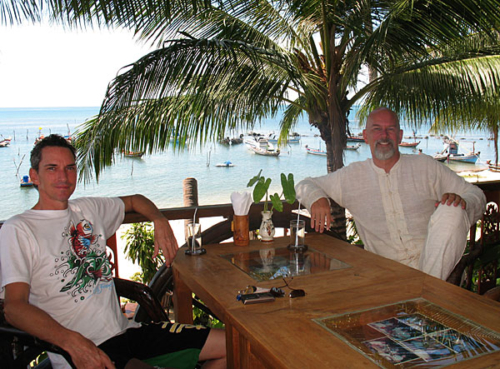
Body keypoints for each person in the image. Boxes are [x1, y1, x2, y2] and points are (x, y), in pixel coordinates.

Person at [0, 134, 226, 369]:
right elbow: (14, 308)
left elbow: (134, 201)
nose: (63, 176)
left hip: (128, 332)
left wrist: (159, 220)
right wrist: (71, 341)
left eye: (69, 168)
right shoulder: (20, 229)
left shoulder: (88, 209)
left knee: (235, 345)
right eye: (52, 168)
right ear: (34, 175)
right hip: (84, 349)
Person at [296, 107, 486, 280]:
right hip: (385, 274)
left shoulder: (426, 167)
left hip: (436, 266)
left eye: (391, 129)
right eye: (377, 129)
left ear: (400, 136)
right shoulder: (351, 177)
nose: (384, 136)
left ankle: (428, 286)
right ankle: (426, 291)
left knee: (452, 209)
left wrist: (463, 202)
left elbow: (477, 195)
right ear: (366, 136)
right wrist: (317, 198)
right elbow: (305, 184)